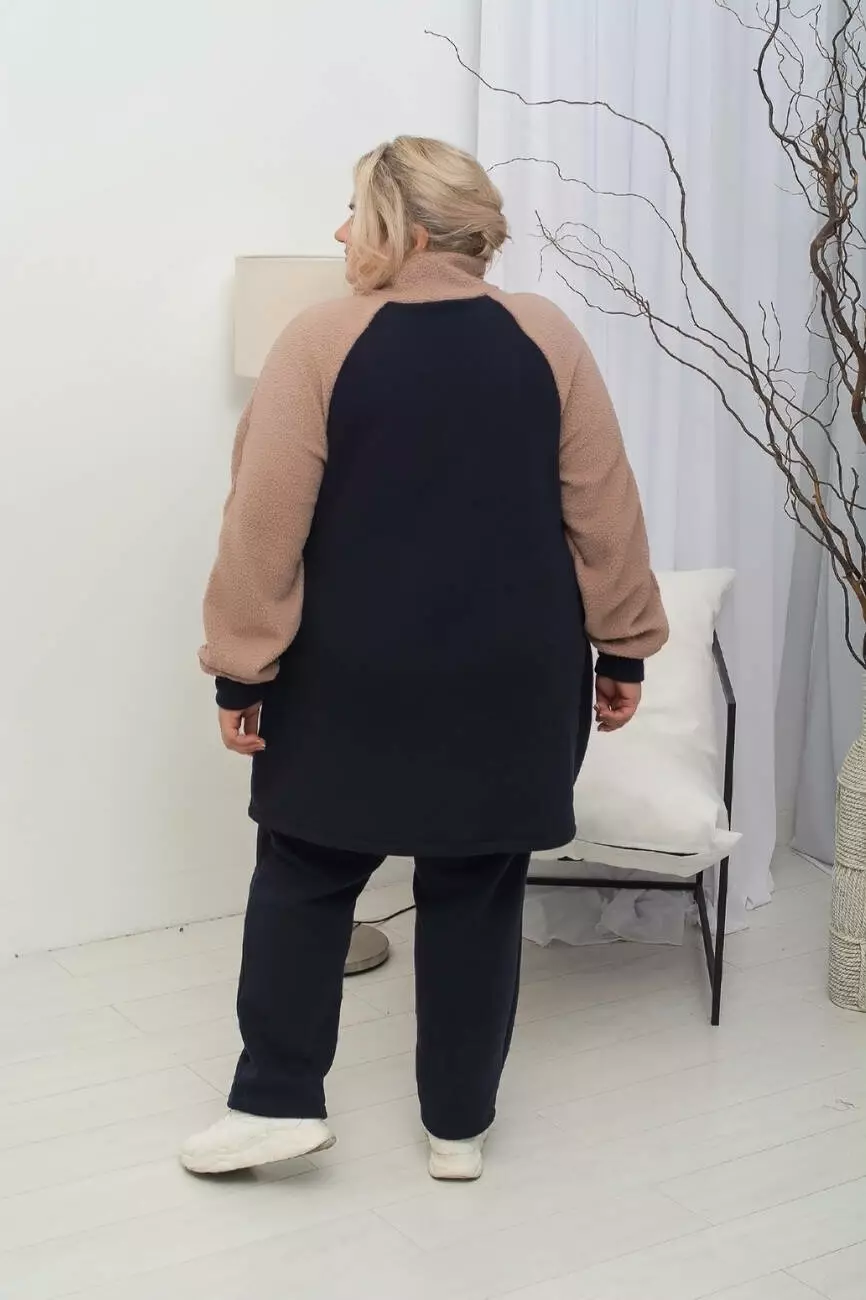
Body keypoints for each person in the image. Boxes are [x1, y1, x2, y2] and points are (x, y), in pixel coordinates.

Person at [183, 136, 668, 1182]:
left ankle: (275, 1100)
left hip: (349, 678)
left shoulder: (322, 340)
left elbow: (261, 525)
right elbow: (604, 505)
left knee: (305, 872)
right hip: (515, 678)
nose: (339, 232)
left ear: (400, 228)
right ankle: (457, 1126)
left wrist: (241, 666)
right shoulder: (545, 334)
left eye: (353, 212)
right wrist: (623, 647)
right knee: (476, 887)